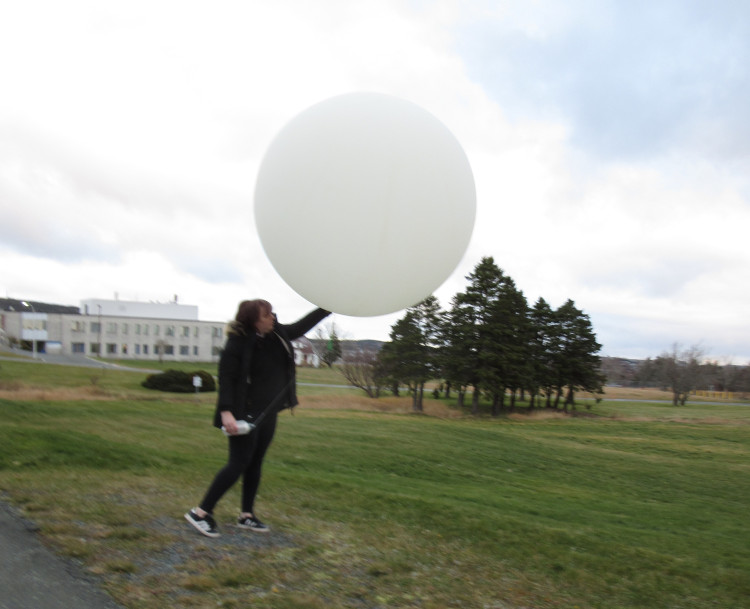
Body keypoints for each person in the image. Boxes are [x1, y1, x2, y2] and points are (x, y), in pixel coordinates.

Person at [185, 299, 330, 538]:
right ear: (253, 321)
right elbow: (227, 378)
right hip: (243, 412)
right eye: (267, 315)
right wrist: (226, 412)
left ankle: (247, 515)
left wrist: (326, 308)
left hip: (268, 411)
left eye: (272, 313)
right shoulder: (237, 343)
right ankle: (200, 513)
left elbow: (301, 326)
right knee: (238, 463)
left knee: (255, 463)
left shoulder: (277, 334)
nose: (272, 317)